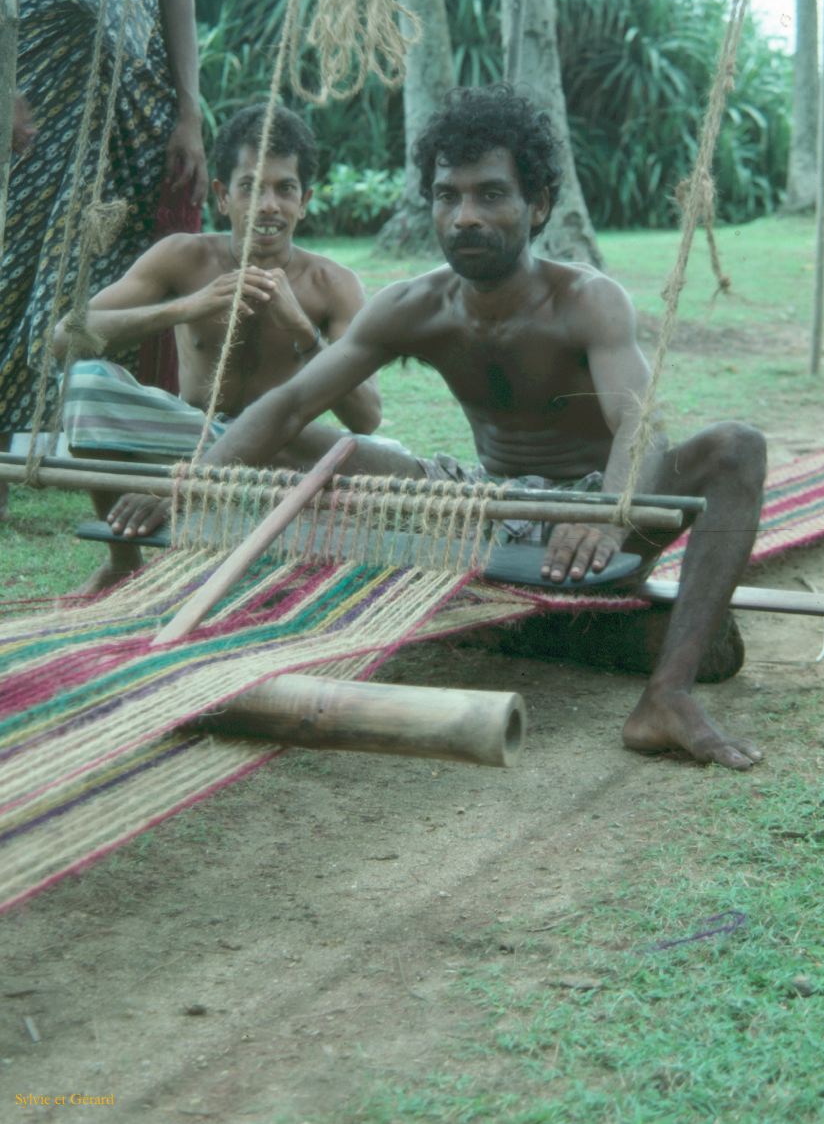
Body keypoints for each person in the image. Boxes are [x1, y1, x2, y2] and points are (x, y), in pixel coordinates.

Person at [109, 84, 768, 772]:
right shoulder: (416, 305)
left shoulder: (587, 300)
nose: (464, 217)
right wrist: (186, 484)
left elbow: (639, 420)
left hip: (596, 511)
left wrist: (604, 514)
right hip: (484, 503)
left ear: (538, 204)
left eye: (490, 195)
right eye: (447, 196)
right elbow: (292, 403)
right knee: (315, 442)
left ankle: (666, 696)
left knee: (735, 449)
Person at [54, 103, 382, 592]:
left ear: (306, 200)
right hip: (189, 444)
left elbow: (367, 418)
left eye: (284, 189)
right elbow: (65, 337)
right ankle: (123, 562)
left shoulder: (333, 284)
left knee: (379, 458)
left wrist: (300, 329)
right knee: (83, 385)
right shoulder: (182, 257)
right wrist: (186, 308)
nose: (268, 205)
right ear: (224, 197)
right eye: (251, 186)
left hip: (280, 454)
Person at [0, 0, 209, 516]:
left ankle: (122, 449)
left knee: (126, 260)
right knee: (14, 259)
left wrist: (189, 110)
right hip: (38, 78)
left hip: (139, 82)